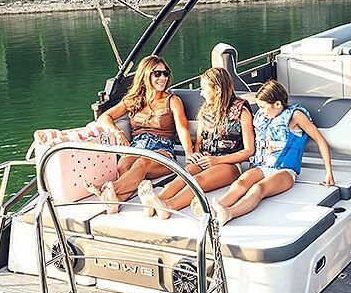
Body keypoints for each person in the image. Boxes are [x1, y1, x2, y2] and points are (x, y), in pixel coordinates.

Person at [199, 80, 335, 225]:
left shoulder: (295, 116)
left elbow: (320, 140)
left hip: (285, 171)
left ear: (277, 104)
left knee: (258, 188)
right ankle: (214, 209)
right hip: (262, 167)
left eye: (263, 107)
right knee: (241, 183)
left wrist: (329, 172)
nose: (261, 111)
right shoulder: (262, 117)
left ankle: (229, 213)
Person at [137, 67, 256, 219]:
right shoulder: (206, 110)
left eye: (204, 89)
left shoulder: (242, 112)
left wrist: (216, 160)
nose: (201, 93)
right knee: (183, 176)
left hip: (229, 164)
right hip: (205, 159)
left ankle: (169, 206)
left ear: (217, 89)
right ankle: (155, 202)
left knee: (198, 180)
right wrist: (195, 154)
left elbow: (249, 150)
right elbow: (199, 142)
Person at [92, 55, 193, 213]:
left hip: (163, 150)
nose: (163, 78)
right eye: (157, 74)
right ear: (146, 75)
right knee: (122, 166)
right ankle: (115, 201)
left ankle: (108, 189)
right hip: (137, 146)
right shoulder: (133, 99)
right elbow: (104, 117)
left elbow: (182, 129)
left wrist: (189, 154)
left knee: (142, 163)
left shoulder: (172, 101)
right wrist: (118, 132)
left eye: (165, 73)